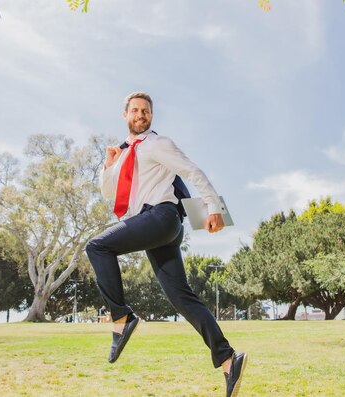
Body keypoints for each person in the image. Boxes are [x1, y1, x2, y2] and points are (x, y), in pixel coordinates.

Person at [85, 92, 247, 397]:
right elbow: (108, 193)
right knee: (180, 296)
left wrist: (213, 206)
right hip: (159, 229)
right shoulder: (124, 153)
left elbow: (191, 171)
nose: (141, 114)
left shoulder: (158, 143)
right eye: (135, 110)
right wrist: (108, 165)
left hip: (162, 216)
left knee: (97, 247)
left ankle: (122, 317)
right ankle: (228, 359)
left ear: (151, 116)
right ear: (125, 115)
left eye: (146, 110)